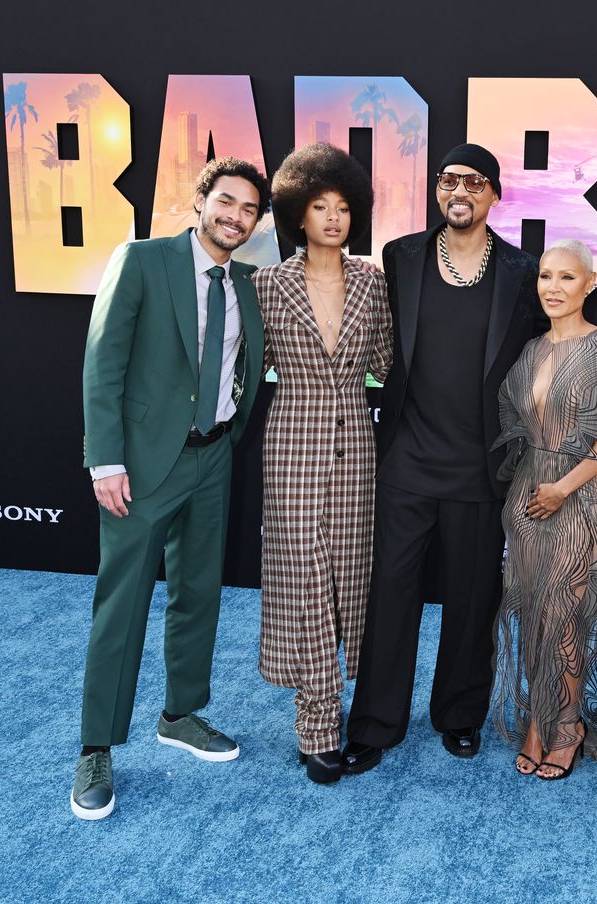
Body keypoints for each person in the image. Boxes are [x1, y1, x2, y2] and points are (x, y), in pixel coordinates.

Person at [72, 157, 270, 820]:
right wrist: (106, 461)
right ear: (202, 200)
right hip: (142, 464)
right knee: (121, 604)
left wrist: (227, 436)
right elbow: (103, 365)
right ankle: (95, 747)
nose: (234, 216)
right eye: (226, 201)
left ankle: (181, 714)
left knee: (198, 595)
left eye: (248, 209)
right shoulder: (143, 260)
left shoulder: (248, 284)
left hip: (213, 459)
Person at [340, 144, 546, 774]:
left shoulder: (521, 270)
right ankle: (375, 722)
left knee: (472, 598)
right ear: (438, 190)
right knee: (390, 597)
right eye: (449, 180)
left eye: (474, 182)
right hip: (406, 459)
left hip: (482, 469)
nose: (460, 190)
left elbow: (555, 342)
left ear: (494, 195)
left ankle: (459, 715)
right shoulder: (400, 256)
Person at [250, 144, 392, 785]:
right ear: (296, 213)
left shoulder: (371, 280)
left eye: (341, 207)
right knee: (305, 583)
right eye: (318, 206)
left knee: (354, 583)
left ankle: (361, 708)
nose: (332, 218)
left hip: (359, 448)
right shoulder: (268, 284)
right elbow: (242, 365)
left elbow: (387, 364)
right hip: (292, 445)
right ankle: (316, 725)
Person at [490, 239, 597, 780]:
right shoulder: (531, 351)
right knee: (531, 613)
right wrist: (533, 480)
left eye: (566, 278)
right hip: (529, 498)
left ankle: (568, 724)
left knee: (566, 617)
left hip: (580, 497)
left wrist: (562, 486)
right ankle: (536, 718)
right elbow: (512, 417)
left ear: (589, 283)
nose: (553, 287)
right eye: (545, 276)